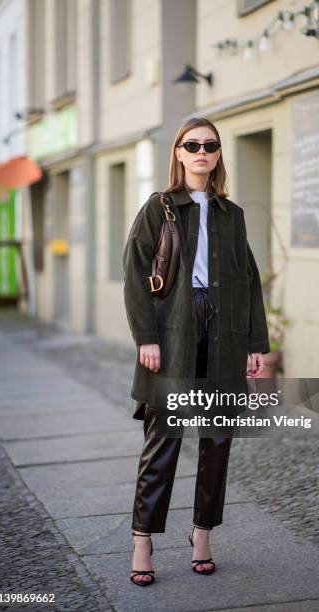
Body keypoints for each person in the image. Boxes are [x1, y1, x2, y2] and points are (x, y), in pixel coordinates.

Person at [123, 117, 270, 586]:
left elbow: (249, 282)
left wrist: (256, 344)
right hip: (174, 332)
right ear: (179, 153)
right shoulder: (159, 207)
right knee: (163, 442)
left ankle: (202, 534)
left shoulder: (233, 214)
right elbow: (134, 275)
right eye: (193, 145)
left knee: (217, 442)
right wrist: (146, 336)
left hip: (224, 334)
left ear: (219, 154)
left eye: (210, 145)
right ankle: (143, 540)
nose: (202, 152)